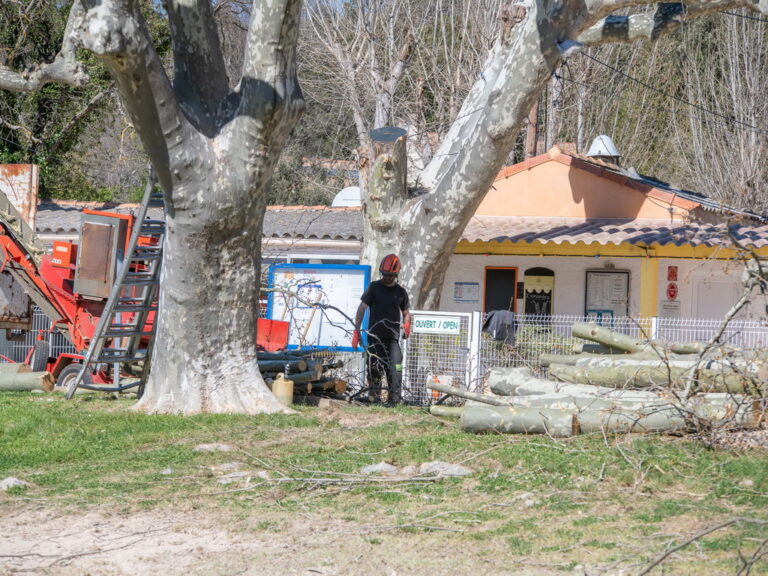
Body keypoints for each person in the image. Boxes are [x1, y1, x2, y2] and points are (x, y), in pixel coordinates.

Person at [352, 254, 411, 405]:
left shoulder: (401, 292)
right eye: (384, 274)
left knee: (395, 369)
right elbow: (362, 308)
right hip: (374, 337)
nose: (386, 278)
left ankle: (394, 400)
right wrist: (356, 330)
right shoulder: (374, 287)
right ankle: (374, 399)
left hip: (392, 339)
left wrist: (407, 326)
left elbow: (406, 313)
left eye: (390, 275)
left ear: (396, 275)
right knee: (374, 369)